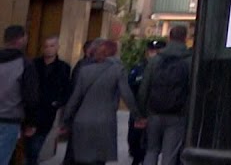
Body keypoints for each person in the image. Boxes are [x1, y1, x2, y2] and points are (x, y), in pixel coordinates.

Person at [62, 40, 139, 165]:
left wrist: (66, 119)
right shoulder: (118, 70)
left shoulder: (85, 70)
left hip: (82, 120)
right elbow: (126, 94)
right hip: (105, 121)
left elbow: (75, 98)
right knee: (98, 160)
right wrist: (137, 115)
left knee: (80, 159)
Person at [138, 27, 191, 165]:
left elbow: (144, 89)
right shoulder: (190, 60)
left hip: (154, 113)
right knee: (169, 154)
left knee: (151, 151)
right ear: (185, 38)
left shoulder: (155, 60)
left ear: (169, 37)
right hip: (178, 115)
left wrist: (142, 114)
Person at [27, 36, 72, 165]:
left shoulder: (63, 67)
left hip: (47, 112)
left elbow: (66, 89)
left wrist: (58, 103)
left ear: (57, 47)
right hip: (30, 109)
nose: (48, 49)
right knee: (28, 146)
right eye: (46, 46)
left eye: (52, 46)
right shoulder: (33, 64)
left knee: (36, 146)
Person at [0, 25, 40, 165]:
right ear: (22, 39)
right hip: (9, 119)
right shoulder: (24, 64)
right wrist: (31, 122)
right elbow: (30, 97)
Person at [125, 41, 161, 165]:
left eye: (157, 51)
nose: (154, 53)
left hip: (154, 108)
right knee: (134, 137)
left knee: (151, 140)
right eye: (152, 51)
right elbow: (129, 85)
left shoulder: (164, 68)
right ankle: (136, 156)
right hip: (138, 107)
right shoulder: (139, 68)